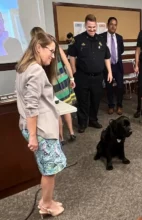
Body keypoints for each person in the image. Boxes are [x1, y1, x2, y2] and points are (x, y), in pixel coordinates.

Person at [15, 32, 66, 217]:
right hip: (41, 130)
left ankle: (48, 200)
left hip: (35, 128)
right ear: (38, 48)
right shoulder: (35, 70)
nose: (53, 56)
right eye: (51, 51)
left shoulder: (23, 67)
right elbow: (32, 107)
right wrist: (34, 136)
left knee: (47, 168)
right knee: (49, 171)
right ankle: (46, 205)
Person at [30, 27, 77, 145]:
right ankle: (71, 133)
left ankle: (61, 138)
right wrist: (71, 77)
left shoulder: (39, 52)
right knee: (65, 109)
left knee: (57, 112)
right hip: (62, 81)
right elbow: (66, 63)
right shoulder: (55, 45)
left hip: (53, 84)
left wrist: (71, 78)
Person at [68, 14, 112, 133]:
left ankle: (93, 120)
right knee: (83, 100)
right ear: (85, 26)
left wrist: (110, 72)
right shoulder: (78, 40)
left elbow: (107, 57)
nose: (92, 29)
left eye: (94, 27)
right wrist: (74, 71)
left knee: (96, 99)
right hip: (82, 76)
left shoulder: (101, 40)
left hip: (98, 77)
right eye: (89, 27)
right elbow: (72, 56)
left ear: (96, 25)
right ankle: (82, 123)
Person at [101, 17, 124, 115]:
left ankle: (119, 105)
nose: (113, 26)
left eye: (115, 24)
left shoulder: (119, 37)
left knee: (120, 86)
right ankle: (111, 106)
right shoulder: (101, 37)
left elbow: (121, 50)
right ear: (107, 25)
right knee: (109, 87)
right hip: (107, 67)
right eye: (111, 24)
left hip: (117, 66)